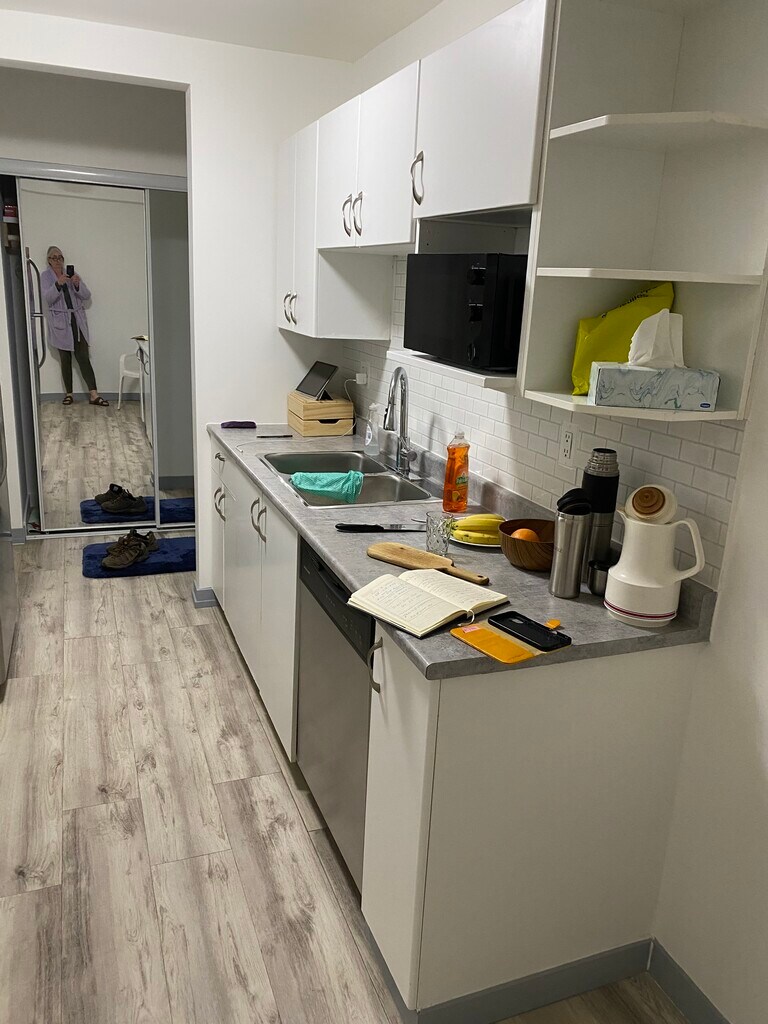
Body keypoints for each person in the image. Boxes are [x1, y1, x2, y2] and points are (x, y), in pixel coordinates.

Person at [41, 246, 108, 406]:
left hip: (76, 320)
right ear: (49, 260)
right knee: (65, 359)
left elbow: (86, 295)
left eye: (60, 257)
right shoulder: (45, 276)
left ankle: (94, 395)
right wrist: (58, 284)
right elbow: (48, 298)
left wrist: (77, 284)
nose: (58, 260)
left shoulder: (71, 274)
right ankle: (69, 394)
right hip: (60, 322)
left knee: (83, 356)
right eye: (54, 257)